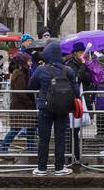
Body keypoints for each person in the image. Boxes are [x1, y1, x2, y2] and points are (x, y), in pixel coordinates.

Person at [27, 39, 79, 175]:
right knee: (61, 138)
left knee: (43, 138)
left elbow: (31, 86)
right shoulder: (68, 70)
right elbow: (76, 91)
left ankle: (42, 168)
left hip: (45, 107)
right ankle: (59, 167)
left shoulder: (41, 69)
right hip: (63, 108)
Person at [0, 51, 37, 159]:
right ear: (23, 62)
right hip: (21, 107)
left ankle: (31, 149)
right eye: (29, 61)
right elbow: (21, 92)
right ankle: (3, 150)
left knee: (30, 127)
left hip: (22, 107)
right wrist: (29, 103)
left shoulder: (22, 72)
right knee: (16, 129)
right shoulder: (20, 74)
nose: (30, 63)